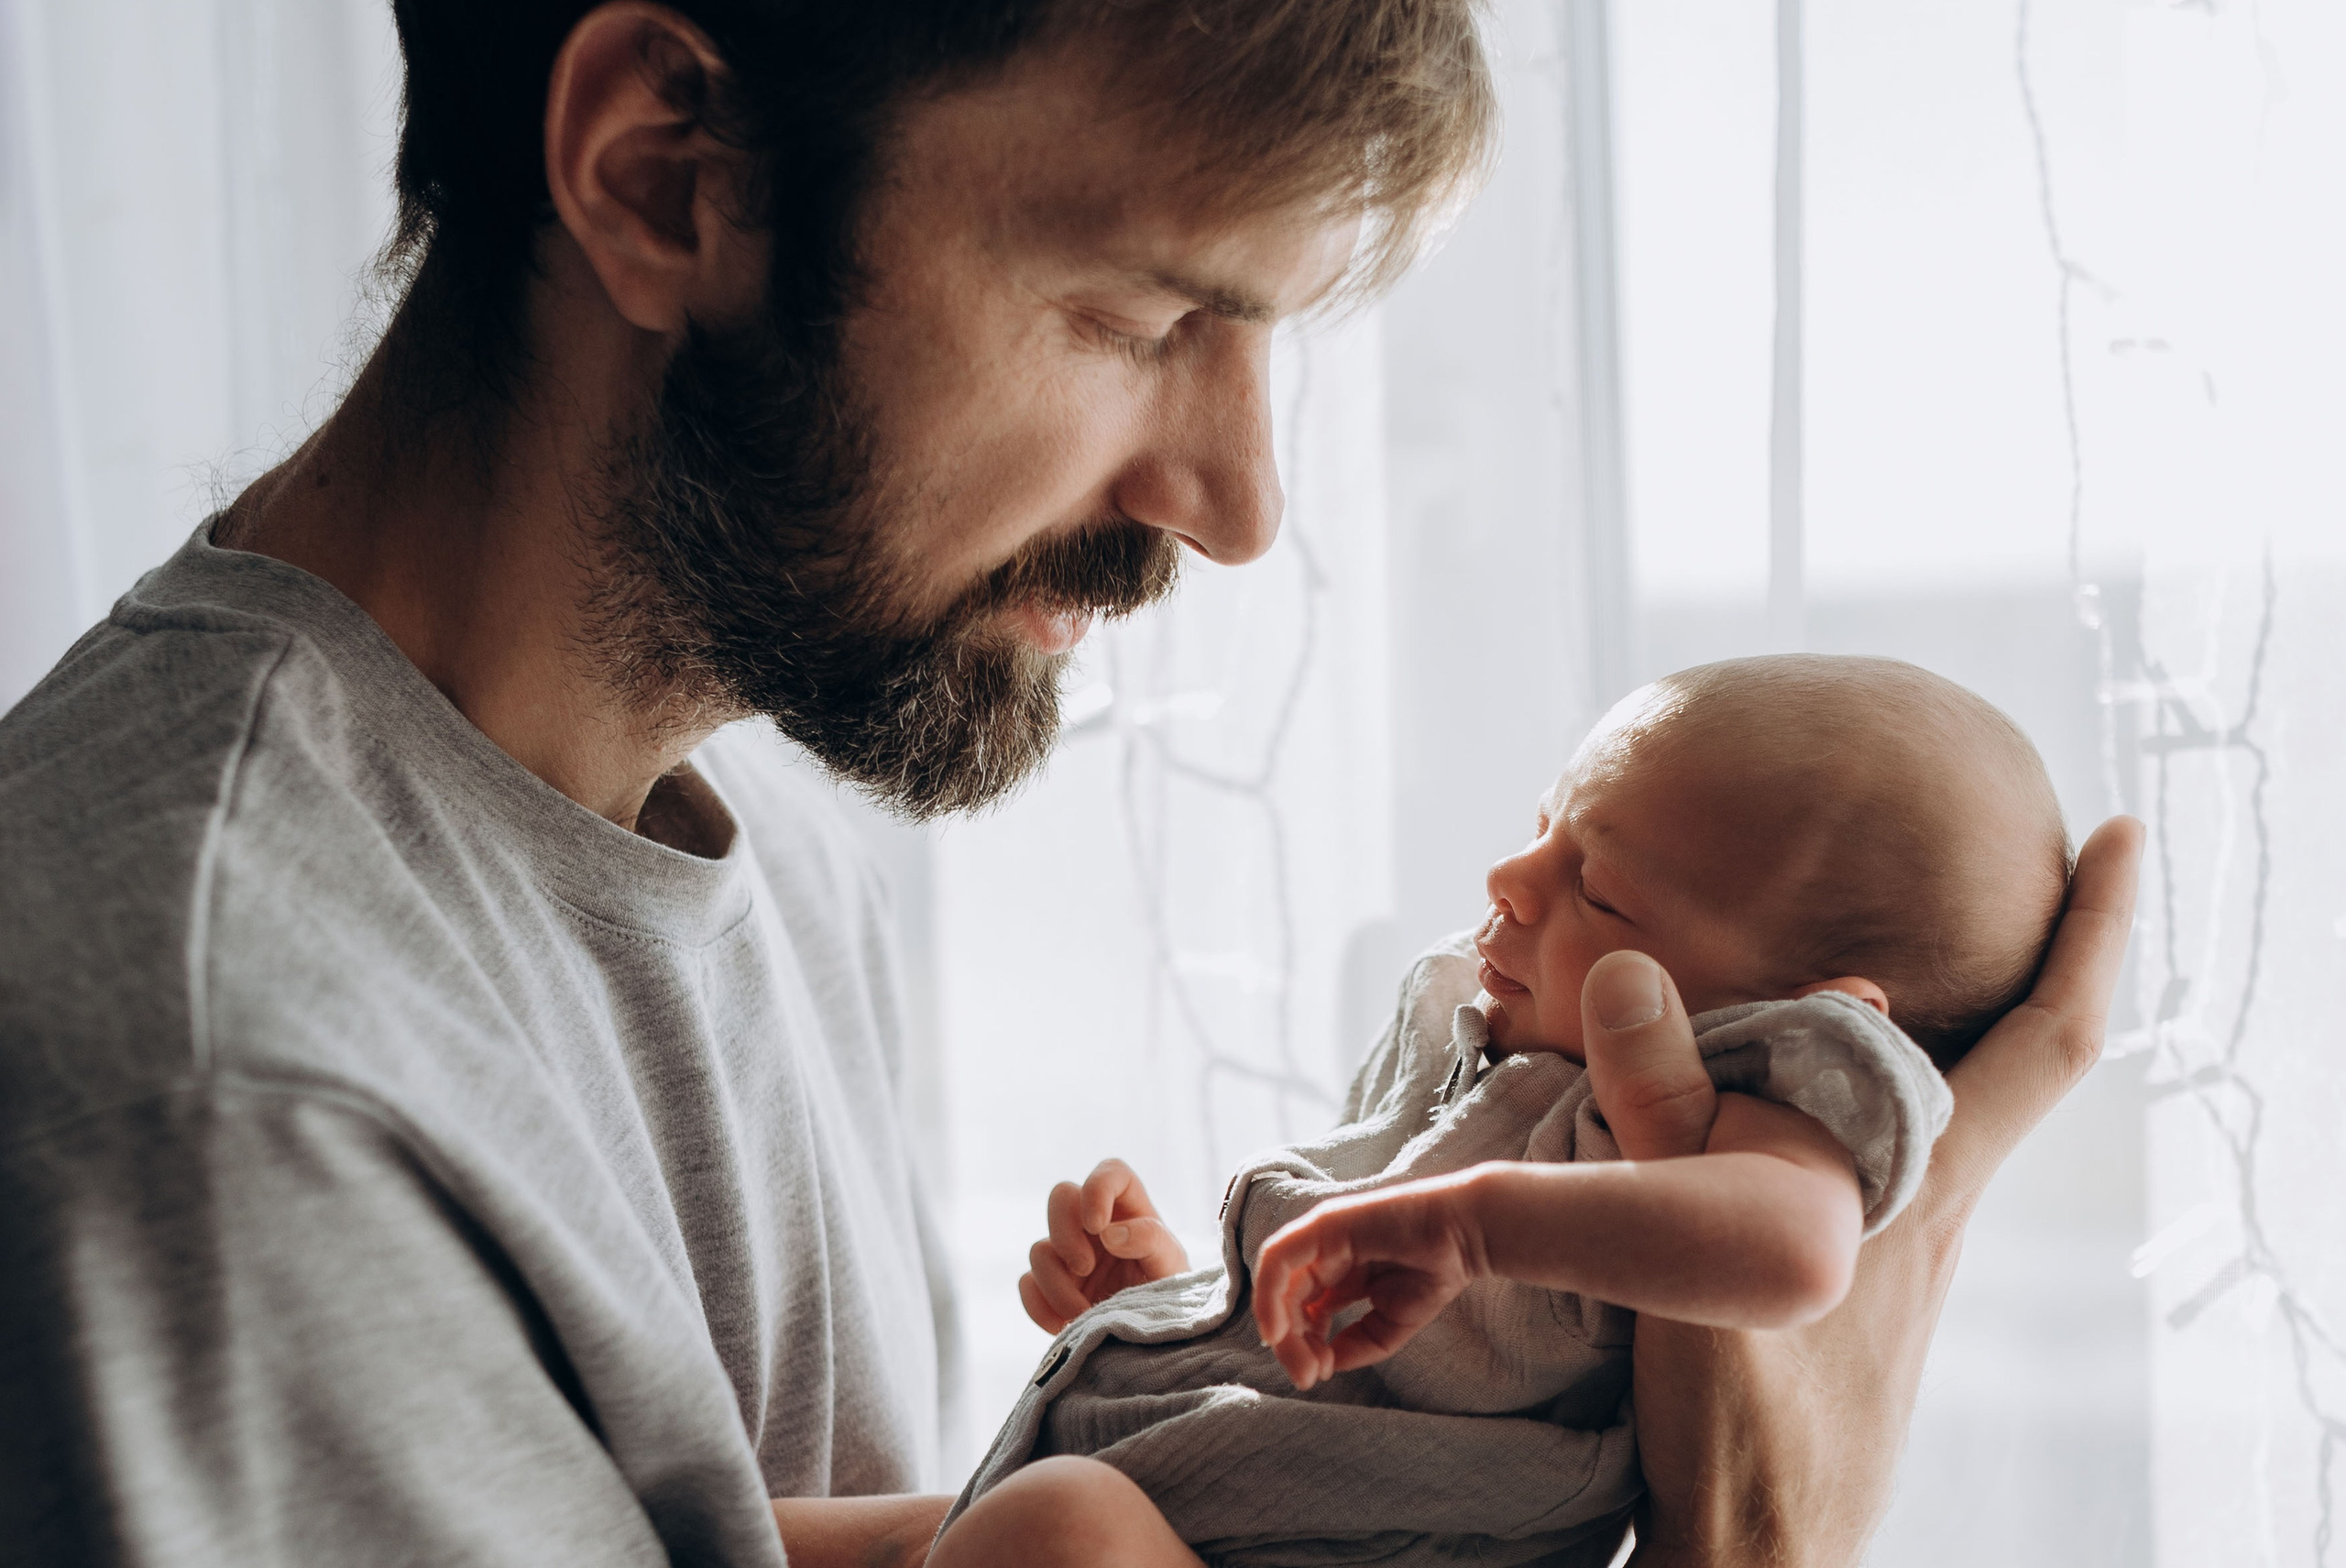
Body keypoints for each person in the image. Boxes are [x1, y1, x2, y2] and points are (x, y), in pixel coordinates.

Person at [0, 1, 2143, 1564]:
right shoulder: (235, 1099)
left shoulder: (740, 810)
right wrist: (1756, 1529)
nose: (1233, 505)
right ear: (670, 176)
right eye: (1138, 318)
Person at [923, 656, 2070, 1567]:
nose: (1508, 880)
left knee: (1058, 1531)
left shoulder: (1764, 1093)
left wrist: (1468, 1229)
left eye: (1601, 889)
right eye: (1543, 825)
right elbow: (1379, 1368)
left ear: (1825, 1018)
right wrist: (1187, 1316)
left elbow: (1797, 1253)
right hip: (1225, 1499)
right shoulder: (1490, 1041)